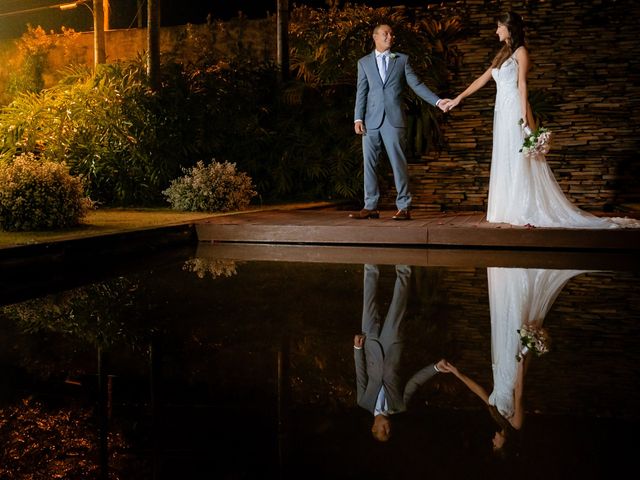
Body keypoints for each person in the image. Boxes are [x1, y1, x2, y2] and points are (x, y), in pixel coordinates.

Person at [444, 12, 639, 228]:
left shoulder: (521, 52)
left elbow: (522, 85)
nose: (496, 31)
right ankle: (507, 207)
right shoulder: (503, 54)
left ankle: (524, 207)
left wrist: (524, 115)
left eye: (499, 27)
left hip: (514, 110)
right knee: (506, 154)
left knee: (519, 155)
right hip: (501, 112)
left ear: (510, 28)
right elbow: (483, 78)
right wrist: (458, 98)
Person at [439, 267, 591, 455]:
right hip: (511, 373)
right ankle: (520, 283)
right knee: (515, 328)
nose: (493, 440)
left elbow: (479, 391)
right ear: (505, 445)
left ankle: (509, 284)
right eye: (496, 444)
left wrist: (456, 373)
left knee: (505, 325)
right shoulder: (516, 423)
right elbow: (519, 393)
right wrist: (520, 364)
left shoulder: (497, 416)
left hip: (499, 367)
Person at [351, 24, 450, 221]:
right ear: (375, 37)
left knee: (398, 163)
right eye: (385, 33)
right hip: (370, 121)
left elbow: (417, 85)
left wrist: (438, 102)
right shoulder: (364, 63)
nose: (390, 36)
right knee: (369, 164)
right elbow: (361, 91)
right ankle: (370, 206)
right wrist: (358, 118)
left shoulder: (402, 60)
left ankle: (404, 206)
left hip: (394, 120)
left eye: (391, 34)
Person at [353, 264, 446, 442]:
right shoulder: (400, 405)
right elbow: (415, 382)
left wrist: (357, 349)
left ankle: (370, 260)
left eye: (383, 431)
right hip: (392, 344)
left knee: (369, 299)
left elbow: (360, 374)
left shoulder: (363, 402)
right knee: (399, 301)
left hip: (370, 345)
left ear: (374, 427)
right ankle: (404, 263)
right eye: (389, 432)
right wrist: (435, 368)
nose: (388, 428)